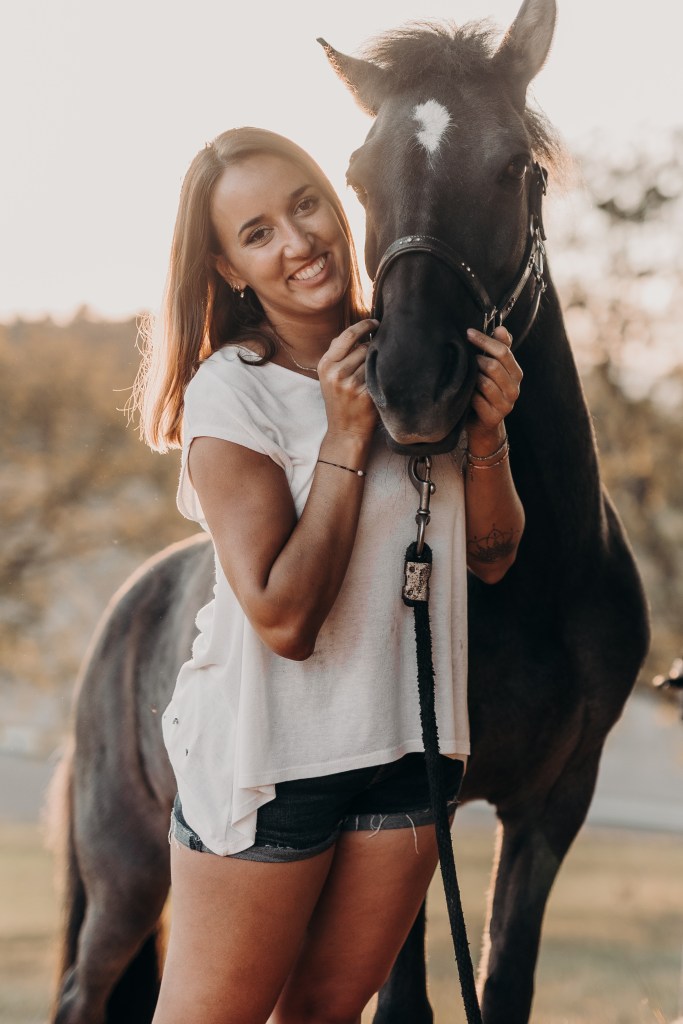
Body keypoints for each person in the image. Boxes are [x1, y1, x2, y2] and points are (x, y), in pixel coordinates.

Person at [136, 126, 525, 1024]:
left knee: (325, 1014)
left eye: (304, 205)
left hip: (408, 752)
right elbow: (283, 619)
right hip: (272, 757)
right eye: (257, 232)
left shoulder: (420, 355)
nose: (298, 241)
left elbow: (494, 557)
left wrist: (489, 434)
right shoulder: (231, 390)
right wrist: (345, 437)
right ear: (230, 268)